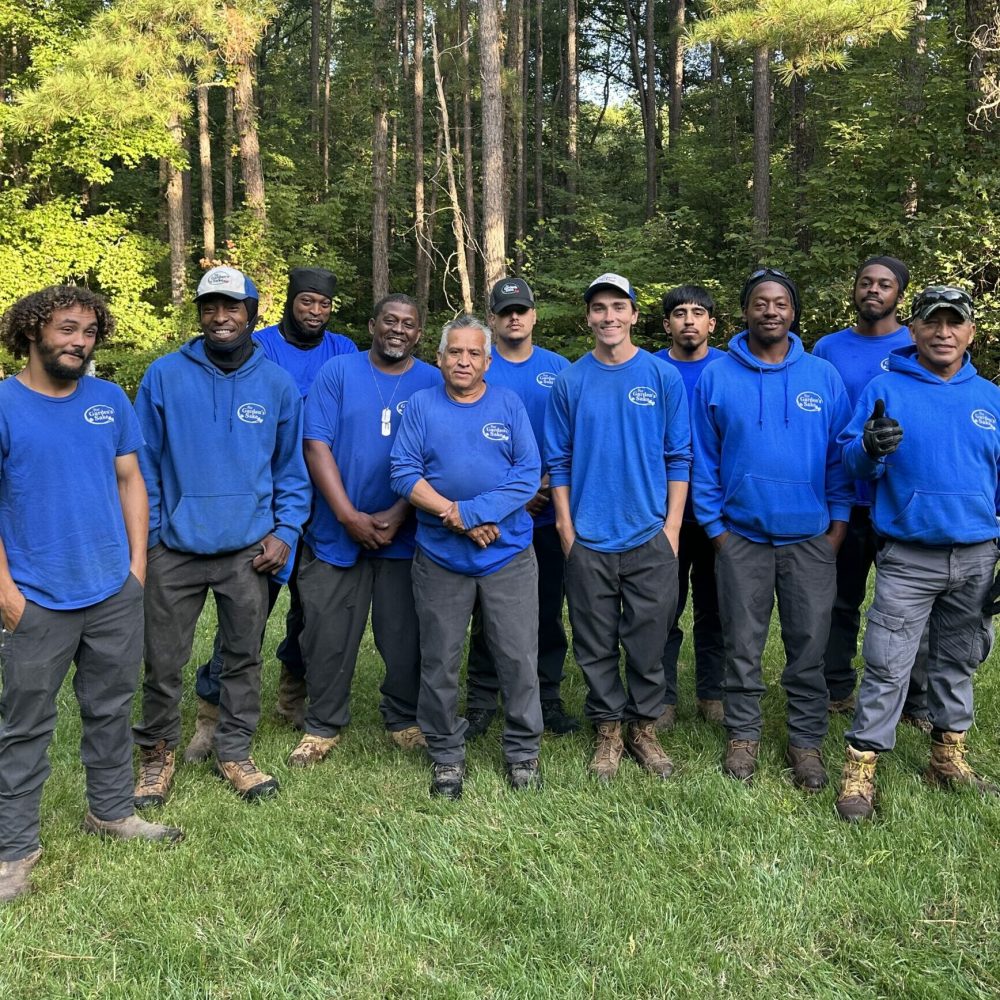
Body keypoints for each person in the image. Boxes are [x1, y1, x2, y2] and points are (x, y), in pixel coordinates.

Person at [0, 287, 181, 905]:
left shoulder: (108, 401)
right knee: (25, 725)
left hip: (111, 592)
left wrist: (135, 568)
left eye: (89, 332)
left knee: (110, 707)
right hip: (36, 597)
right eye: (67, 329)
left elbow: (131, 480)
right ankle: (14, 848)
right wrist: (6, 593)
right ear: (32, 331)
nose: (79, 342)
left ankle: (110, 812)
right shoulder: (3, 403)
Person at [132, 266, 311, 803]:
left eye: (232, 307)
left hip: (249, 551)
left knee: (242, 657)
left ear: (253, 316)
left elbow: (290, 471)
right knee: (163, 661)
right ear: (200, 314)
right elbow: (144, 463)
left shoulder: (276, 384)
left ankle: (234, 752)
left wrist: (284, 531)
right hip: (175, 550)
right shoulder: (164, 375)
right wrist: (157, 534)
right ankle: (158, 756)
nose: (220, 317)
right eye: (210, 306)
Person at [834, 285, 1000, 822]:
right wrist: (867, 447)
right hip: (909, 554)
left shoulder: (991, 399)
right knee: (888, 663)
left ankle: (947, 758)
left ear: (971, 332)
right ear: (915, 331)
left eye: (955, 323)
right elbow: (851, 462)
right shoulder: (887, 388)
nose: (943, 333)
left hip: (976, 553)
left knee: (958, 659)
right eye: (933, 322)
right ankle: (861, 769)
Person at [691, 268, 852, 790]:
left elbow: (838, 460)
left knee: (810, 647)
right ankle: (743, 736)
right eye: (761, 303)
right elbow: (703, 460)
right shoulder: (718, 376)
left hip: (809, 540)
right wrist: (717, 529)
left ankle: (805, 743)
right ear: (745, 312)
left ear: (793, 311)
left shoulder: (822, 376)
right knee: (742, 644)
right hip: (742, 538)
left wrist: (836, 529)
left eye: (781, 303)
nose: (771, 312)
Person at [186, 267, 355, 758]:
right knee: (248, 613)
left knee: (310, 609)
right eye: (307, 301)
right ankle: (211, 715)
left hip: (322, 501)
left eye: (323, 304)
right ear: (287, 303)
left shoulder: (342, 351)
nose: (315, 311)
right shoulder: (257, 346)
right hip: (264, 499)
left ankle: (292, 695)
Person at [390, 315, 543, 799]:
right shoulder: (421, 406)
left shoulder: (509, 404)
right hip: (440, 557)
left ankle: (522, 753)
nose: (463, 360)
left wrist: (475, 512)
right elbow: (402, 472)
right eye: (455, 352)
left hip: (508, 555)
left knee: (518, 658)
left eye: (474, 353)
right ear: (439, 358)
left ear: (487, 361)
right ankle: (446, 757)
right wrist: (455, 516)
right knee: (439, 661)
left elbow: (528, 473)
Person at [545, 273, 690, 782]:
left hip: (650, 533)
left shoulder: (660, 376)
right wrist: (565, 527)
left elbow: (679, 455)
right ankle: (608, 728)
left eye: (618, 307)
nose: (609, 316)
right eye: (599, 308)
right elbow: (558, 460)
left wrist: (671, 527)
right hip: (587, 536)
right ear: (589, 317)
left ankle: (642, 727)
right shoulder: (570, 381)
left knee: (649, 637)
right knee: (594, 638)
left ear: (633, 315)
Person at [288, 293, 440, 765]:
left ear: (420, 333)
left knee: (405, 635)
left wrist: (399, 512)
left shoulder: (433, 382)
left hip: (407, 531)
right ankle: (322, 724)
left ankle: (404, 717)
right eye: (389, 321)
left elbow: (439, 458)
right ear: (372, 325)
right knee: (327, 632)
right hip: (337, 530)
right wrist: (348, 516)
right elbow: (316, 446)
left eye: (409, 324)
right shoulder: (339, 372)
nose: (398, 329)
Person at [813, 256, 929, 730]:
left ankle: (915, 698)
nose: (873, 291)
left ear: (899, 294)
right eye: (866, 282)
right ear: (855, 289)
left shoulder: (919, 343)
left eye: (885, 284)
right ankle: (836, 686)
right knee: (839, 598)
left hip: (901, 500)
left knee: (911, 605)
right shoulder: (828, 347)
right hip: (844, 495)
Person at [464, 277, 578, 739]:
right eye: (505, 310)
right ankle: (481, 699)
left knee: (548, 610)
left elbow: (571, 439)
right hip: (493, 517)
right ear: (491, 318)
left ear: (534, 315)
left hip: (549, 512)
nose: (514, 317)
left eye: (522, 310)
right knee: (485, 612)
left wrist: (545, 486)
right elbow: (464, 443)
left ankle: (547, 696)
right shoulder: (478, 366)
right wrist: (508, 498)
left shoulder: (560, 370)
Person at [652, 284, 726, 730]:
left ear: (712, 324)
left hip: (717, 508)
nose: (689, 321)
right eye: (680, 313)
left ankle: (712, 692)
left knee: (715, 607)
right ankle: (661, 696)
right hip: (662, 510)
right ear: (667, 324)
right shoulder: (650, 369)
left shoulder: (730, 369)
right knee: (663, 606)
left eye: (698, 313)